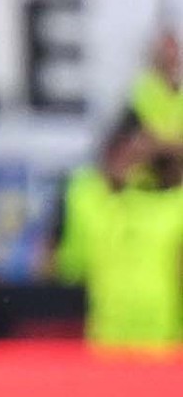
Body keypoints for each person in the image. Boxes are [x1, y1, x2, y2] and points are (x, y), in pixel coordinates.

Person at [59, 114, 183, 351]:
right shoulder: (91, 200)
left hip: (163, 335)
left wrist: (162, 147)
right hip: (109, 334)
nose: (130, 161)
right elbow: (72, 265)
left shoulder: (170, 207)